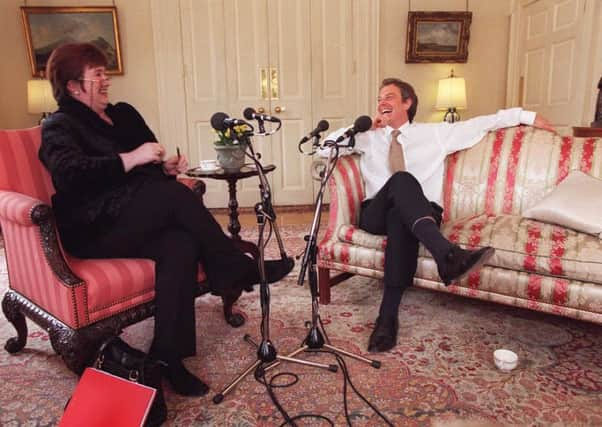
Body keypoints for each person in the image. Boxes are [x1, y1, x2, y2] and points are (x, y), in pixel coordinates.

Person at [39, 43, 294, 396]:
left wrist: (163, 166)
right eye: (96, 73)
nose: (106, 79)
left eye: (103, 71)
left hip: (132, 215)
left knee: (181, 244)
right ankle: (237, 267)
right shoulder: (59, 126)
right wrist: (130, 159)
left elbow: (148, 158)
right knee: (177, 196)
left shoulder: (123, 114)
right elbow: (69, 174)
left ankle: (168, 359)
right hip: (93, 227)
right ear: (73, 85)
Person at [321, 78, 555, 353]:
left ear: (407, 103)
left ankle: (387, 318)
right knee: (402, 181)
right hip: (375, 213)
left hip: (421, 214)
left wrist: (526, 116)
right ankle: (448, 254)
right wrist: (360, 127)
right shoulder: (367, 137)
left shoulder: (435, 133)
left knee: (402, 218)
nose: (382, 101)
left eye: (390, 97)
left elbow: (482, 123)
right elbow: (324, 148)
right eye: (379, 98)